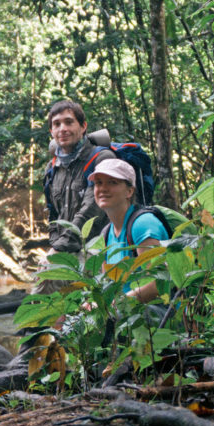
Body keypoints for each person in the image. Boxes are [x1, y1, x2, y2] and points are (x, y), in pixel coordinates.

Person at [89, 159, 170, 304]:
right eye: (98, 183)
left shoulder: (143, 225)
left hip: (158, 316)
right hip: (126, 316)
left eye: (112, 182)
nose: (103, 188)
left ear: (129, 191)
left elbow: (160, 283)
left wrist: (118, 304)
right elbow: (108, 286)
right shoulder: (106, 234)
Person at [43, 100, 115, 253]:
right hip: (66, 251)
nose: (63, 129)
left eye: (69, 122)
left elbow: (91, 210)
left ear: (83, 127)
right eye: (57, 124)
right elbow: (53, 215)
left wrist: (59, 248)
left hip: (99, 252)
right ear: (51, 131)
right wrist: (56, 244)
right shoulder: (52, 168)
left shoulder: (101, 158)